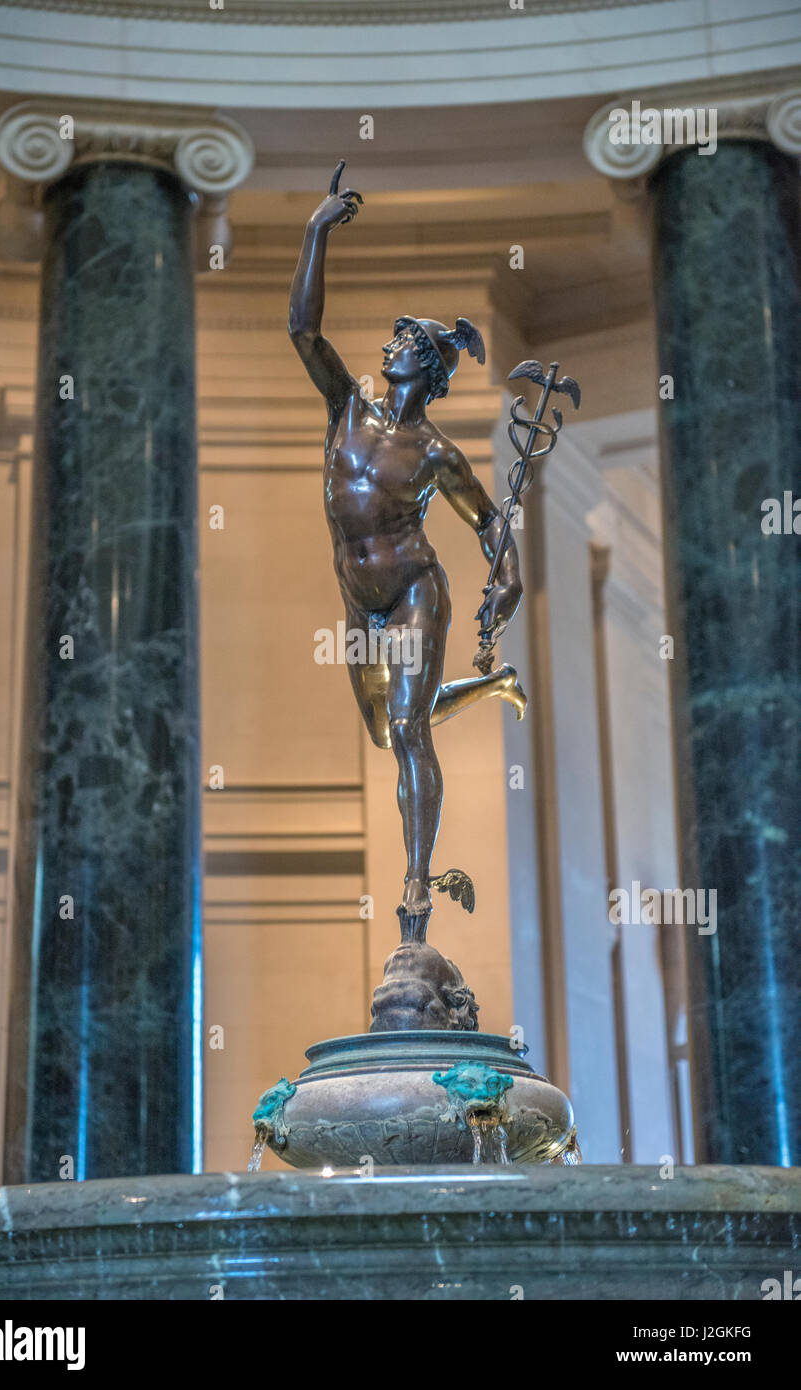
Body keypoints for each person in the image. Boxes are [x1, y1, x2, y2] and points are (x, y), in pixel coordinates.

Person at [289, 163, 526, 940]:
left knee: (408, 728)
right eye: (393, 338)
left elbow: (488, 522)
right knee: (386, 728)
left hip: (415, 589)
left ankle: (416, 894)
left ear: (423, 364)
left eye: (402, 340)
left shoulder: (435, 451)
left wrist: (511, 571)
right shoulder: (345, 409)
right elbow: (303, 330)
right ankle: (491, 688)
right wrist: (316, 231)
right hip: (358, 598)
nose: (387, 344)